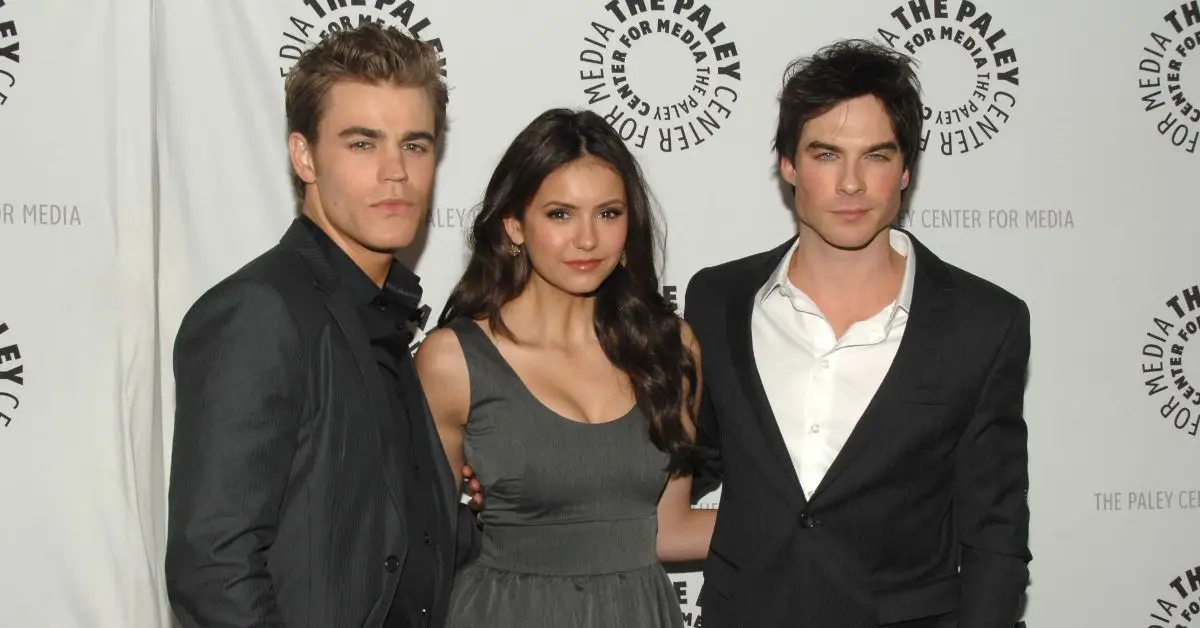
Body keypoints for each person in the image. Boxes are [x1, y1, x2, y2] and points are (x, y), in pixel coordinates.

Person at [682, 39, 1031, 628]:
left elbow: (994, 533)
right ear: (789, 165)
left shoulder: (983, 321)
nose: (850, 183)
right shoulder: (717, 299)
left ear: (905, 170)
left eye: (875, 155)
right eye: (825, 154)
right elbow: (694, 457)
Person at [165, 23, 475, 628]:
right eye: (363, 144)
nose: (396, 173)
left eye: (415, 145)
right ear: (304, 156)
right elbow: (213, 568)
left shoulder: (387, 318)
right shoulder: (261, 310)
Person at [414, 107, 716, 628]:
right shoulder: (453, 360)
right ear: (514, 225)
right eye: (559, 214)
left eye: (608, 213)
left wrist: (813, 519)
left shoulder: (672, 349)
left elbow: (670, 529)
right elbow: (425, 538)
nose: (587, 239)